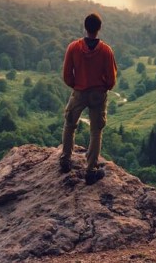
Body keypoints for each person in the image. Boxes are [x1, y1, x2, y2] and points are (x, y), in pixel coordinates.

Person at [60, 13, 117, 185]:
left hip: (79, 92)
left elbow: (66, 74)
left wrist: (76, 86)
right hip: (98, 94)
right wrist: (104, 87)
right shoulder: (106, 50)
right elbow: (112, 78)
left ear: (85, 27)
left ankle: (65, 160)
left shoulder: (74, 47)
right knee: (96, 130)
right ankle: (90, 170)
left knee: (70, 124)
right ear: (99, 28)